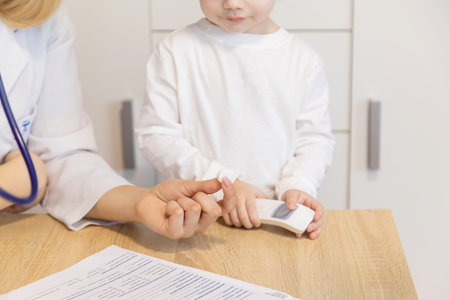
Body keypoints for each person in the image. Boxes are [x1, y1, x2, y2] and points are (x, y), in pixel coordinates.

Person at [0, 0, 235, 239]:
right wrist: (15, 181)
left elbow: (62, 156)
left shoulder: (43, 15)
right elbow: (31, 175)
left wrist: (139, 202)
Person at [136, 0, 335, 239]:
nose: (232, 3)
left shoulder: (302, 59)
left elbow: (314, 139)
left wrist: (299, 186)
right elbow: (156, 135)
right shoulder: (175, 50)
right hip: (197, 224)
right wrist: (225, 184)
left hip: (276, 225)